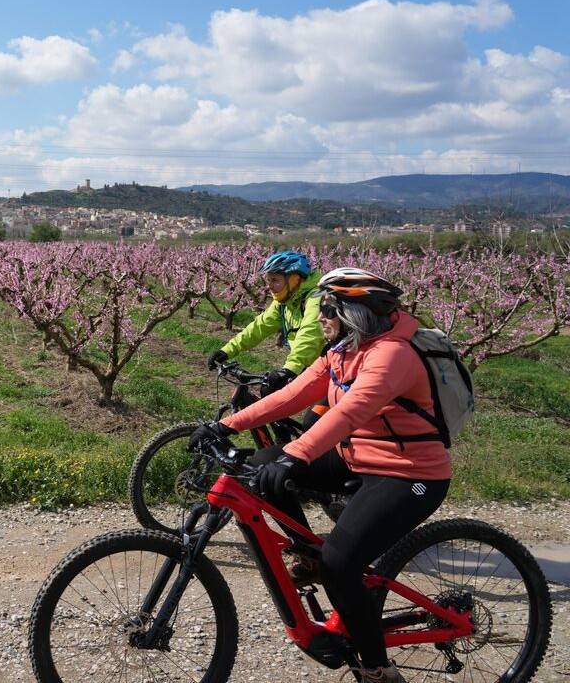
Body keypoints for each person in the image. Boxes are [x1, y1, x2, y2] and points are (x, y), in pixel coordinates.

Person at [192, 267, 450, 683]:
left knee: (341, 563)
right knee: (259, 466)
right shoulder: (343, 351)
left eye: (329, 308)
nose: (320, 316)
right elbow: (291, 395)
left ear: (356, 313)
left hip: (409, 474)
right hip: (357, 458)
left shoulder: (392, 356)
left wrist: (296, 455)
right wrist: (227, 426)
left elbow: (351, 412)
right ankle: (306, 551)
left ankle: (377, 667)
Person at [206, 250, 328, 426]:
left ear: (294, 279)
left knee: (312, 423)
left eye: (275, 280)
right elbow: (259, 328)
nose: (269, 286)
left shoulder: (316, 298)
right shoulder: (284, 302)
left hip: (333, 372)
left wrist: (290, 369)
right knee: (269, 393)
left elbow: (311, 333)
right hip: (309, 366)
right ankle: (282, 441)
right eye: (268, 280)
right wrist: (227, 350)